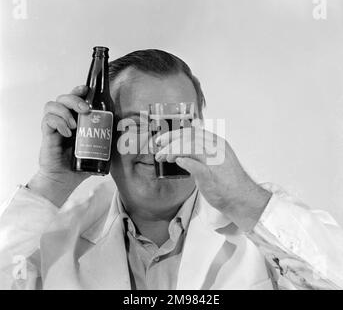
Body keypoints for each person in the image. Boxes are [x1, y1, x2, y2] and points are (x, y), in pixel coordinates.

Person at [0, 49, 342, 290]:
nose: (159, 142)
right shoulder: (54, 235)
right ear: (102, 135)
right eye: (135, 125)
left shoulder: (260, 219)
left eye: (178, 124)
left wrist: (244, 202)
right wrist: (50, 184)